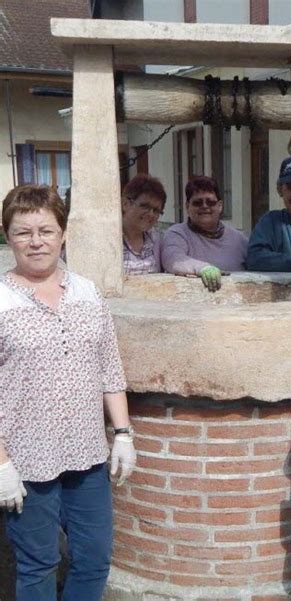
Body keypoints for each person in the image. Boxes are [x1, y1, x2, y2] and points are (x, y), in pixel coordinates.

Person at [0, 184, 137, 601]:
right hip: (25, 461)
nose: (36, 241)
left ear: (63, 233)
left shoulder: (87, 292)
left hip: (87, 457)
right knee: (38, 564)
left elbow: (108, 367)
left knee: (94, 559)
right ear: (8, 236)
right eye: (24, 232)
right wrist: (1, 463)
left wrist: (124, 434)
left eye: (46, 229)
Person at [161, 176, 247, 292]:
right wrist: (203, 268)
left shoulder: (239, 239)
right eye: (198, 202)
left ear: (220, 206)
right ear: (187, 206)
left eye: (210, 202)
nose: (205, 206)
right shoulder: (176, 234)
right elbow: (172, 259)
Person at [122, 173, 166, 274]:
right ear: (125, 204)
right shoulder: (109, 240)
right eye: (145, 206)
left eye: (156, 210)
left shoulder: (158, 240)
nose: (150, 214)